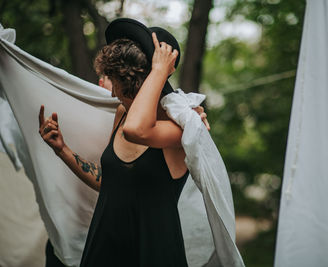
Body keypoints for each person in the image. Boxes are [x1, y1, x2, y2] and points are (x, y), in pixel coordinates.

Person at [39, 19, 209, 266]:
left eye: (114, 80)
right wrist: (62, 149)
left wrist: (160, 70)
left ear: (134, 79)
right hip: (105, 250)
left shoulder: (181, 128)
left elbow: (136, 130)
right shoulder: (122, 114)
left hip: (152, 255)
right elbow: (108, 182)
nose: (111, 91)